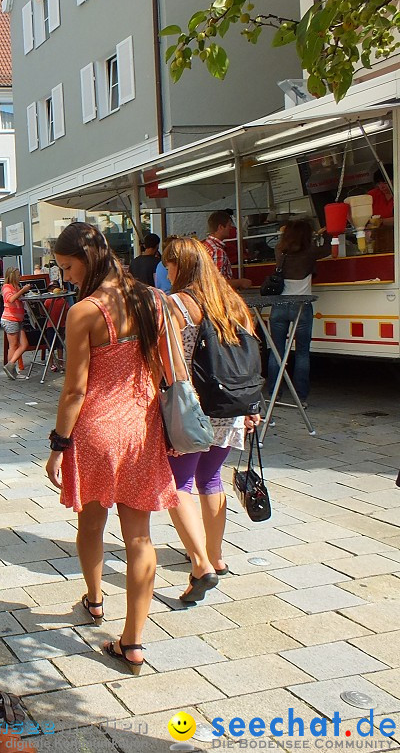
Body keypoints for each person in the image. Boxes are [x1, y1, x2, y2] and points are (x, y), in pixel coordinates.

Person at [44, 222, 177, 675]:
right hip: (141, 427)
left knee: (91, 522)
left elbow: (74, 391)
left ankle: (95, 599)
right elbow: (162, 367)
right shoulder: (153, 300)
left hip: (97, 430)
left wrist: (58, 445)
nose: (66, 277)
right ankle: (134, 642)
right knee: (140, 536)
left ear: (87, 258)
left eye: (67, 267)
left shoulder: (85, 311)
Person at [161, 238, 262, 602]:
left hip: (190, 409)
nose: (166, 271)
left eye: (169, 265)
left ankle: (200, 564)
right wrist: (252, 405)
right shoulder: (234, 304)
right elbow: (249, 359)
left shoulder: (177, 305)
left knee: (179, 483)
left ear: (181, 266)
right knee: (210, 478)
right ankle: (217, 557)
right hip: (230, 407)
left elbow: (165, 359)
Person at [267, 218, 329, 404]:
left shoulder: (279, 251)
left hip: (278, 306)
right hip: (301, 306)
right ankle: (300, 397)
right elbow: (329, 250)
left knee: (276, 352)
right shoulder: (310, 252)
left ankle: (274, 395)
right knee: (302, 353)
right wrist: (326, 233)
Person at [203, 210, 252, 290]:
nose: (230, 228)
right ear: (220, 227)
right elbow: (217, 283)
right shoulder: (217, 251)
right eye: (229, 225)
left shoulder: (204, 246)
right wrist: (240, 282)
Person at [0, 268, 30, 380]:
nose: (20, 277)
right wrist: (22, 291)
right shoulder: (7, 287)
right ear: (12, 276)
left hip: (17, 319)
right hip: (10, 319)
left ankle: (10, 365)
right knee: (13, 346)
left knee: (24, 344)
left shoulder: (17, 287)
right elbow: (10, 299)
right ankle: (11, 368)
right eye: (18, 275)